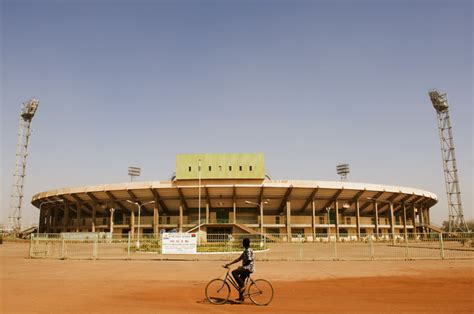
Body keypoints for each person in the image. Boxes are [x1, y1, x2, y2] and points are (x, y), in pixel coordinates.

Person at [224, 237, 255, 302]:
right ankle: (241, 298)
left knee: (234, 272)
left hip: (248, 268)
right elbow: (238, 259)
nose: (242, 244)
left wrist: (242, 267)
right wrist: (229, 264)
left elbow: (249, 260)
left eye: (243, 243)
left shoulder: (248, 250)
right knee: (240, 280)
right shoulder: (246, 251)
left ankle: (243, 286)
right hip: (246, 268)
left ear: (244, 244)